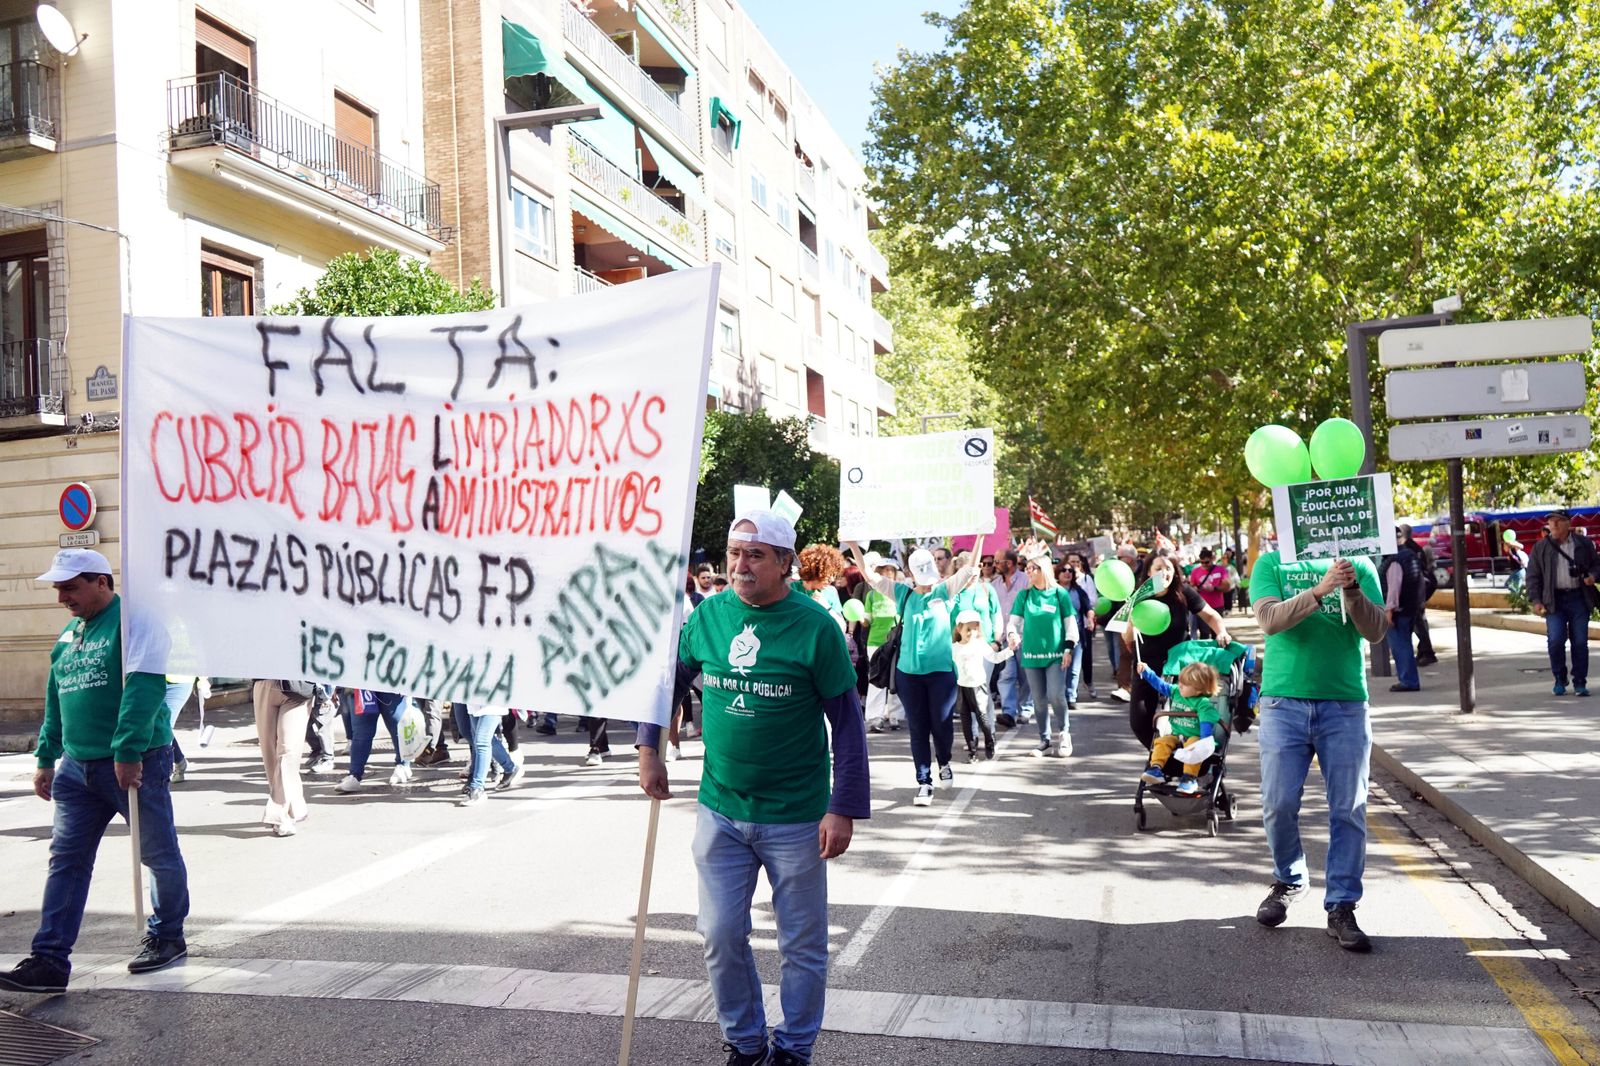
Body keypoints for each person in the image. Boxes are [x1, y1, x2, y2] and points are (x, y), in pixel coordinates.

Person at [637, 510, 868, 1066]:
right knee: (718, 935)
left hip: (796, 816)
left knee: (802, 945)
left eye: (755, 554)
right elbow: (667, 680)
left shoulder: (815, 627)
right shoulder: (709, 616)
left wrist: (843, 807)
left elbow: (848, 720)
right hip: (721, 809)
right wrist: (650, 749)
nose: (740, 564)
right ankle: (745, 1043)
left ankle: (793, 1048)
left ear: (785, 563)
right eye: (735, 552)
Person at [0, 549, 189, 993]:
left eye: (71, 586)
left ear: (101, 582)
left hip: (133, 761)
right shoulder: (70, 632)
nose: (62, 596)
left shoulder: (135, 622)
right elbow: (57, 696)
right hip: (77, 767)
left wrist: (127, 751)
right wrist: (46, 757)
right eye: (59, 588)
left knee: (157, 853)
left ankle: (167, 935)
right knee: (66, 860)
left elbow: (144, 688)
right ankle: (49, 960)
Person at [1250, 550, 1389, 952]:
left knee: (1349, 807)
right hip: (1282, 702)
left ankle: (1342, 904)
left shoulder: (1359, 565)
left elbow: (1376, 631)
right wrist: (1319, 590)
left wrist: (1352, 592)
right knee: (1278, 802)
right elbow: (1269, 620)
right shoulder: (1271, 563)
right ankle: (1289, 880)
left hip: (1344, 703)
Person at [1123, 554, 1231, 749]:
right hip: (1146, 665)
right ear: (1149, 572)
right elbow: (1127, 639)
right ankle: (1163, 758)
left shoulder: (1184, 593)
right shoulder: (1138, 596)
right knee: (1139, 722)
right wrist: (1132, 620)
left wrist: (1221, 632)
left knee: (1185, 720)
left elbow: (1212, 616)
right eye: (1158, 568)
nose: (1164, 572)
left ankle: (1191, 760)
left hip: (1180, 665)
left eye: (1169, 568)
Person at [1006, 543, 1079, 758]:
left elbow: (1070, 624)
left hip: (1056, 655)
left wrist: (1068, 648)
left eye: (1032, 568)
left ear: (1043, 570)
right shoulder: (1024, 596)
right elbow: (1014, 623)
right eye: (1026, 568)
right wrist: (1012, 634)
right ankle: (1044, 739)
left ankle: (1064, 733)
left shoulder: (1059, 594)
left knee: (1056, 695)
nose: (1027, 571)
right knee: (1038, 699)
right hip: (1031, 655)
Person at [1526, 508, 1600, 697]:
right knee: (1556, 641)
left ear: (1568, 524)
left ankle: (1580, 682)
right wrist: (1536, 600)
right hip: (1554, 600)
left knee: (1580, 642)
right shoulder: (1541, 547)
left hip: (1578, 598)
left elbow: (1597, 565)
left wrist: (1593, 576)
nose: (1554, 525)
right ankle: (1560, 678)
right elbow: (1533, 576)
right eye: (1551, 522)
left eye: (1558, 521)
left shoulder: (1583, 544)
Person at [1136, 660, 1222, 796]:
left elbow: (1206, 726)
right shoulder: (1176, 691)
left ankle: (1189, 778)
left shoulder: (1203, 704)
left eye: (1185, 684)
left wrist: (1204, 744)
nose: (1180, 685)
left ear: (1199, 689)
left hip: (1194, 737)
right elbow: (1160, 685)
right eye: (1180, 681)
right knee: (1162, 741)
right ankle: (1156, 769)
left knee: (1194, 743)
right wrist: (1147, 672)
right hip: (1176, 734)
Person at [252, 679, 313, 836]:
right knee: (269, 751)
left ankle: (280, 814)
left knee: (289, 751)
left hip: (297, 688)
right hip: (264, 681)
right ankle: (295, 804)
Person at [953, 608, 1010, 761]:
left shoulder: (980, 644)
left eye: (975, 628)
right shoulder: (954, 647)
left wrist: (1010, 650)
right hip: (963, 686)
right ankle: (972, 751)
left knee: (982, 718)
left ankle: (989, 739)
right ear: (959, 629)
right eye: (968, 629)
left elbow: (995, 658)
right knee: (965, 720)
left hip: (978, 686)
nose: (971, 632)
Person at [859, 552, 904, 733]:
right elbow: (867, 621)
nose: (888, 573)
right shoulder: (871, 595)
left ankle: (895, 716)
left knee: (896, 676)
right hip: (875, 641)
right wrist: (858, 616)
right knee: (876, 678)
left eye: (891, 571)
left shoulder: (899, 592)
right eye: (885, 570)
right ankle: (874, 717)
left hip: (895, 641)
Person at [334, 690, 413, 792]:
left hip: (390, 687)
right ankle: (354, 775)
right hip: (361, 686)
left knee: (397, 726)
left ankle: (403, 764)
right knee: (360, 732)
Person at [453, 703, 524, 806]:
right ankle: (510, 768)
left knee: (482, 741)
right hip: (474, 701)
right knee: (482, 739)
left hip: (493, 700)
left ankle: (477, 788)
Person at [990, 549, 1030, 726]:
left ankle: (1026, 709)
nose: (994, 565)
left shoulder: (1026, 581)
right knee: (1006, 675)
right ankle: (1008, 712)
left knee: (1026, 675)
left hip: (1025, 636)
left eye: (998, 562)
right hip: (1005, 638)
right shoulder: (994, 585)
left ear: (1010, 563)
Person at [1380, 532, 1424, 692]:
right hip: (1411, 607)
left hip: (1399, 610)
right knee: (1405, 644)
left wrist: (1389, 612)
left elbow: (1393, 588)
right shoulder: (1409, 555)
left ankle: (1408, 681)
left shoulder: (1394, 561)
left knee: (1400, 646)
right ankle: (1409, 679)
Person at [1398, 525, 1438, 667]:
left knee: (1418, 623)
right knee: (1419, 621)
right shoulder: (1415, 547)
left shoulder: (1407, 549)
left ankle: (1427, 652)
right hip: (1421, 589)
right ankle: (1423, 651)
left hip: (1415, 591)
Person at [1188, 548, 1229, 638]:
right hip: (1202, 606)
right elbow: (1191, 586)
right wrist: (1195, 588)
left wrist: (1214, 588)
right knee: (1204, 633)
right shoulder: (1195, 571)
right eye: (1202, 562)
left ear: (1212, 559)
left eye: (1206, 562)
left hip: (1217, 605)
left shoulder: (1220, 570)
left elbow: (1227, 587)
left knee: (1217, 633)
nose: (1204, 565)